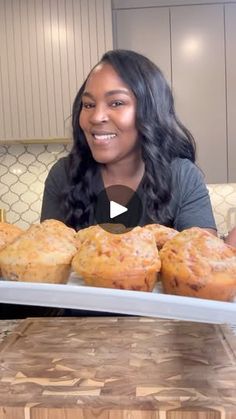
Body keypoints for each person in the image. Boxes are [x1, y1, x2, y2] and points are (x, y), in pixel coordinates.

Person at [41, 49, 216, 235]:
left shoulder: (182, 176)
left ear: (150, 111)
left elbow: (202, 258)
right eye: (89, 105)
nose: (96, 117)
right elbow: (46, 256)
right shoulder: (64, 175)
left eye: (116, 103)